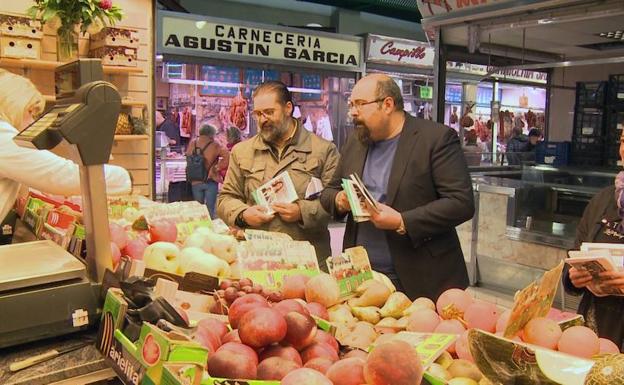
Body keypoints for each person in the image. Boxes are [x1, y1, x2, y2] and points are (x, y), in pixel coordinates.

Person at [319, 74, 474, 300]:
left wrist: (403, 221)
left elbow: (461, 203)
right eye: (350, 104)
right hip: (362, 277)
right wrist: (339, 200)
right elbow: (329, 191)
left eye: (360, 104)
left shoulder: (435, 139)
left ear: (388, 104)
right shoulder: (356, 141)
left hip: (422, 277)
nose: (352, 112)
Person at [0, 70, 131, 243]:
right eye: (30, 112)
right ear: (13, 103)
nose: (32, 122)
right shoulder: (4, 137)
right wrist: (125, 177)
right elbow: (60, 176)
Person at [217, 80, 339, 265]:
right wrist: (243, 214)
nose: (262, 119)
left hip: (308, 261)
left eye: (269, 112)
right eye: (258, 113)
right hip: (257, 260)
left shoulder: (323, 150)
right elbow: (226, 198)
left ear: (288, 108)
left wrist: (302, 211)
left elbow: (336, 204)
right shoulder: (242, 151)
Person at [563, 131, 624, 350]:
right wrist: (574, 277)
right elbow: (575, 252)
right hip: (596, 331)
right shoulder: (604, 199)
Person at [186, 124, 229, 218]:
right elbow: (228, 156)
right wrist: (217, 167)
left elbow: (188, 156)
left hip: (195, 179)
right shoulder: (215, 144)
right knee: (210, 209)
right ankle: (209, 229)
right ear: (212, 133)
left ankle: (199, 228)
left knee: (198, 209)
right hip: (211, 179)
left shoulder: (193, 143)